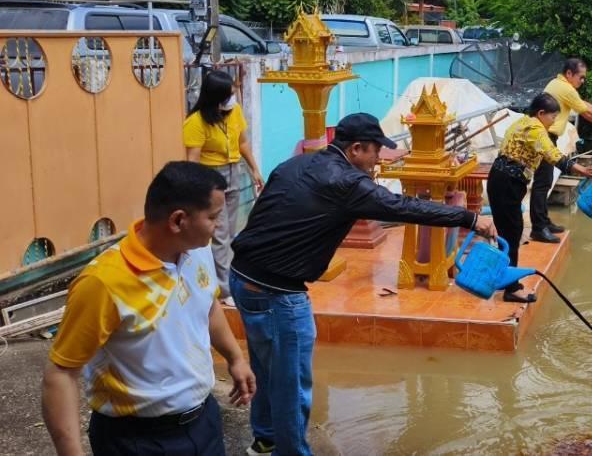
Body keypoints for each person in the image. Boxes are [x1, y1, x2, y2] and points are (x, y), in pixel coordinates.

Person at [229, 113, 496, 456]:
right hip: (278, 293)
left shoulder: (295, 164)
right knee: (293, 385)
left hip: (243, 278)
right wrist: (469, 217)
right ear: (356, 149)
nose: (377, 161)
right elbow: (403, 207)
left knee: (268, 369)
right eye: (374, 152)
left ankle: (265, 440)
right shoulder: (349, 183)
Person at [42, 162, 255, 456]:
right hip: (137, 441)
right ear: (178, 221)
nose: (220, 226)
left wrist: (235, 358)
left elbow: (207, 307)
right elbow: (61, 374)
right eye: (214, 217)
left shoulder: (197, 250)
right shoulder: (103, 283)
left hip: (203, 421)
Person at [489, 93, 592, 303]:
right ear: (541, 113)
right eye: (552, 117)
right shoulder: (535, 128)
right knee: (512, 234)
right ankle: (511, 289)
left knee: (507, 233)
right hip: (508, 183)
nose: (553, 122)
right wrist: (582, 170)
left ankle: (504, 278)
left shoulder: (522, 122)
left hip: (501, 179)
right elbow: (553, 155)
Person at [183, 70, 264, 302]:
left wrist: (254, 170)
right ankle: (226, 290)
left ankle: (227, 278)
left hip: (233, 172)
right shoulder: (196, 122)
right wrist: (195, 190)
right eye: (228, 95)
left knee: (229, 232)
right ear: (214, 97)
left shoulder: (235, 112)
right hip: (211, 178)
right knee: (220, 234)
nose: (233, 98)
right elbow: (193, 159)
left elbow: (243, 142)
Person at [531, 58, 592, 242]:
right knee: (542, 184)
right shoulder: (564, 88)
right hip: (544, 138)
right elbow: (585, 112)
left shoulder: (561, 86)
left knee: (545, 181)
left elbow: (583, 104)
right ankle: (539, 229)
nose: (583, 81)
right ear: (569, 74)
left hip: (546, 136)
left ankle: (544, 222)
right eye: (581, 77)